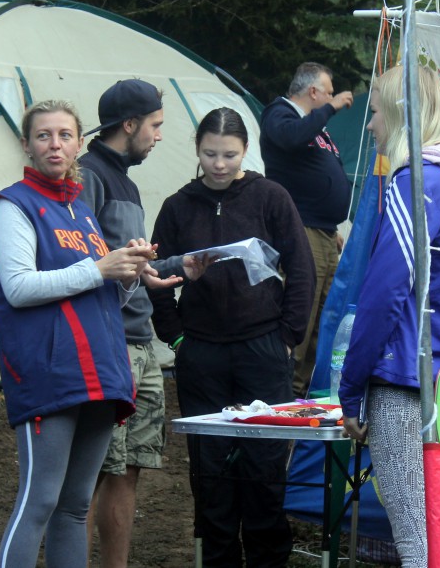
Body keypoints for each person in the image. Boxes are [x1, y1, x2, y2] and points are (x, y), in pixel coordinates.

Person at [0, 100, 152, 568]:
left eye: (64, 135)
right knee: (39, 501)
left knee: (76, 506)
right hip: (50, 372)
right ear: (26, 144)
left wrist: (128, 274)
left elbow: (99, 297)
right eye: (43, 135)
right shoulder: (12, 205)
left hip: (100, 371)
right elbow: (18, 288)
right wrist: (100, 268)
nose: (54, 145)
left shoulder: (80, 209)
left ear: (79, 143)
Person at [148, 107, 314, 568]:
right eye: (209, 154)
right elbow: (156, 274)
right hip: (201, 353)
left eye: (229, 155)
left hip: (263, 349)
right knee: (211, 470)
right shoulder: (178, 206)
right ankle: (217, 559)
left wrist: (288, 336)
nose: (219, 165)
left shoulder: (270, 197)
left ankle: (267, 560)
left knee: (263, 466)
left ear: (245, 151)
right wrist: (176, 338)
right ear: (197, 151)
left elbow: (301, 269)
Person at [338, 65, 440, 567]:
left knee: (418, 542)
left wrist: (350, 389)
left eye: (376, 112)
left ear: (401, 115)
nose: (370, 125)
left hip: (405, 381)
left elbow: (383, 294)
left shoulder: (415, 181)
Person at [78, 79, 208, 567]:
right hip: (107, 347)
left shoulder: (126, 182)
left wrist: (174, 267)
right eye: (154, 125)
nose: (158, 136)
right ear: (129, 125)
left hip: (140, 345)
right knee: (90, 475)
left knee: (128, 470)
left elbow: (127, 267)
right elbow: (82, 265)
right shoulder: (89, 176)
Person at [259, 62, 354, 397]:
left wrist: (329, 223)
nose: (333, 98)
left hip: (324, 231)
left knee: (324, 316)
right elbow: (290, 138)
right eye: (329, 92)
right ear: (313, 92)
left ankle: (302, 392)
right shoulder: (279, 114)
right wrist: (330, 108)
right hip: (301, 229)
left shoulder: (314, 126)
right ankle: (284, 390)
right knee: (303, 309)